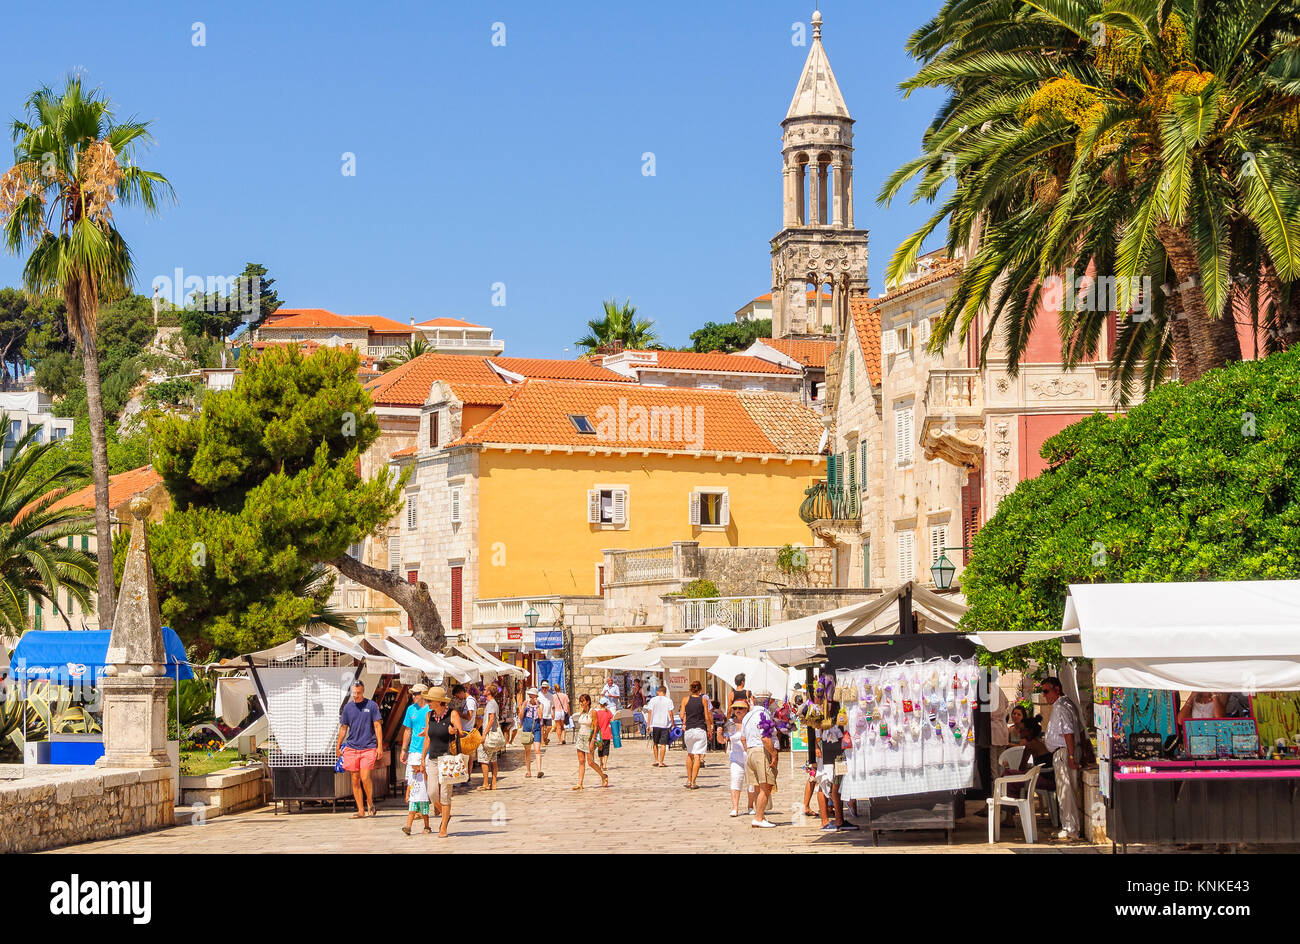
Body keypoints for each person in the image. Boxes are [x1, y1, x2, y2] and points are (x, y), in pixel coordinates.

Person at [1040, 677, 1083, 841]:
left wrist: (1071, 756)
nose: (1044, 695)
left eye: (1046, 691)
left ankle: (1070, 828)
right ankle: (1069, 826)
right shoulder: (1066, 704)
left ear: (1056, 689)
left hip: (1064, 752)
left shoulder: (1061, 706)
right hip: (1064, 751)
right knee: (1065, 791)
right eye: (1043, 691)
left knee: (1066, 792)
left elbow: (1068, 732)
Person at [419, 686, 462, 838]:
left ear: (439, 701)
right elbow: (427, 738)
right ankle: (445, 813)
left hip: (447, 759)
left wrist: (454, 731)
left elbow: (461, 733)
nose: (428, 702)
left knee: (445, 794)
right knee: (432, 792)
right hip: (433, 759)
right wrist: (422, 758)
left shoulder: (452, 714)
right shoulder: (429, 715)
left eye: (430, 700)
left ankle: (443, 826)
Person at [337, 680, 383, 818]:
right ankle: (361, 810)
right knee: (355, 779)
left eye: (358, 692)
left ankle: (370, 802)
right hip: (352, 747)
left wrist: (379, 746)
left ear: (363, 691)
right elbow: (343, 727)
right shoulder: (348, 708)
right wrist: (338, 745)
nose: (355, 695)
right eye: (354, 693)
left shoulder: (372, 706)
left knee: (364, 777)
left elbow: (377, 726)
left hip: (368, 746)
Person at [814, 704, 854, 831]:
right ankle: (824, 821)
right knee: (823, 782)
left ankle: (839, 819)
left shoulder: (839, 703)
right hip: (824, 750)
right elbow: (812, 727)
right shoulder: (818, 703)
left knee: (838, 783)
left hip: (840, 749)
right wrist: (815, 747)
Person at [741, 697, 778, 827]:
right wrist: (774, 754)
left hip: (750, 751)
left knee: (757, 787)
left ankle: (760, 815)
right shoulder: (764, 714)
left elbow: (743, 739)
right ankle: (758, 817)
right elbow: (765, 738)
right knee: (766, 786)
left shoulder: (747, 716)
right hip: (760, 751)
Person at [722, 700, 755, 817]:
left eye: (740, 708)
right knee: (736, 780)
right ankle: (735, 808)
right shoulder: (730, 723)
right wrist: (719, 734)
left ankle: (750, 806)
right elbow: (723, 741)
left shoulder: (750, 722)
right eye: (735, 708)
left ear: (746, 710)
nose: (738, 711)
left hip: (749, 756)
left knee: (751, 783)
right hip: (736, 757)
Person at [572, 694, 609, 789]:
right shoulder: (582, 712)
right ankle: (580, 783)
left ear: (588, 701)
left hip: (589, 738)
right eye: (580, 701)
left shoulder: (593, 712)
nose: (581, 703)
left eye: (583, 701)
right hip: (581, 737)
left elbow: (596, 727)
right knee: (581, 761)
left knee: (590, 762)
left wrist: (592, 740)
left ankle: (603, 776)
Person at [681, 681, 711, 789]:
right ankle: (693, 782)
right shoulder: (703, 700)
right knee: (698, 755)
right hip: (700, 729)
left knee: (690, 754)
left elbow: (681, 714)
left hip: (689, 730)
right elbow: (707, 717)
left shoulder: (685, 700)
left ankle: (689, 780)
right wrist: (709, 729)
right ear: (700, 690)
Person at [477, 684, 503, 790]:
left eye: (485, 689)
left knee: (483, 759)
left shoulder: (491, 704)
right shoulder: (492, 703)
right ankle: (493, 783)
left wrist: (484, 734)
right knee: (493, 759)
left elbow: (491, 719)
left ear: (489, 692)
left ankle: (485, 783)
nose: (483, 690)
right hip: (492, 735)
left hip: (489, 735)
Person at [519, 687, 545, 778]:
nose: (531, 697)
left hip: (536, 728)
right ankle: (528, 771)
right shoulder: (526, 704)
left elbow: (541, 716)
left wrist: (537, 705)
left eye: (532, 695)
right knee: (527, 751)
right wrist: (522, 707)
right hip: (527, 728)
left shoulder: (540, 705)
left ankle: (539, 770)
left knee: (537, 750)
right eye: (530, 695)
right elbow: (521, 717)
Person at [647, 685, 675, 767]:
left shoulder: (653, 700)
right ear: (665, 692)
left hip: (655, 724)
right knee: (663, 744)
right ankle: (661, 762)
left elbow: (650, 712)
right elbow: (670, 713)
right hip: (664, 724)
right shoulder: (668, 701)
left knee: (655, 742)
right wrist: (673, 723)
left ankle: (656, 760)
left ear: (658, 692)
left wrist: (648, 724)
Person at [593, 697, 615, 775]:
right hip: (607, 733)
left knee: (600, 749)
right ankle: (605, 764)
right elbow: (612, 719)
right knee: (606, 749)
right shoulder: (608, 712)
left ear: (600, 704)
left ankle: (601, 762)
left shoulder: (597, 713)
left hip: (599, 735)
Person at [538, 680, 555, 745]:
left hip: (548, 714)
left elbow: (553, 705)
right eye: (543, 687)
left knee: (549, 727)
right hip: (541, 714)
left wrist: (553, 713)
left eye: (545, 688)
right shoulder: (538, 695)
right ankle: (542, 741)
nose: (544, 689)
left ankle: (545, 737)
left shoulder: (551, 696)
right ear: (541, 688)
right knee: (541, 728)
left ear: (548, 688)